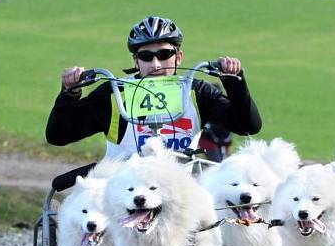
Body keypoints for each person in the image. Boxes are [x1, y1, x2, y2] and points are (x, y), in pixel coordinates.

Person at [46, 15, 262, 159]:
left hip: (181, 192)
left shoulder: (197, 92)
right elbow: (58, 135)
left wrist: (235, 82)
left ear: (179, 57)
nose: (155, 64)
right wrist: (70, 94)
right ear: (135, 61)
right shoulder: (115, 94)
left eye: (164, 54)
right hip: (125, 193)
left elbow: (248, 126)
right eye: (146, 56)